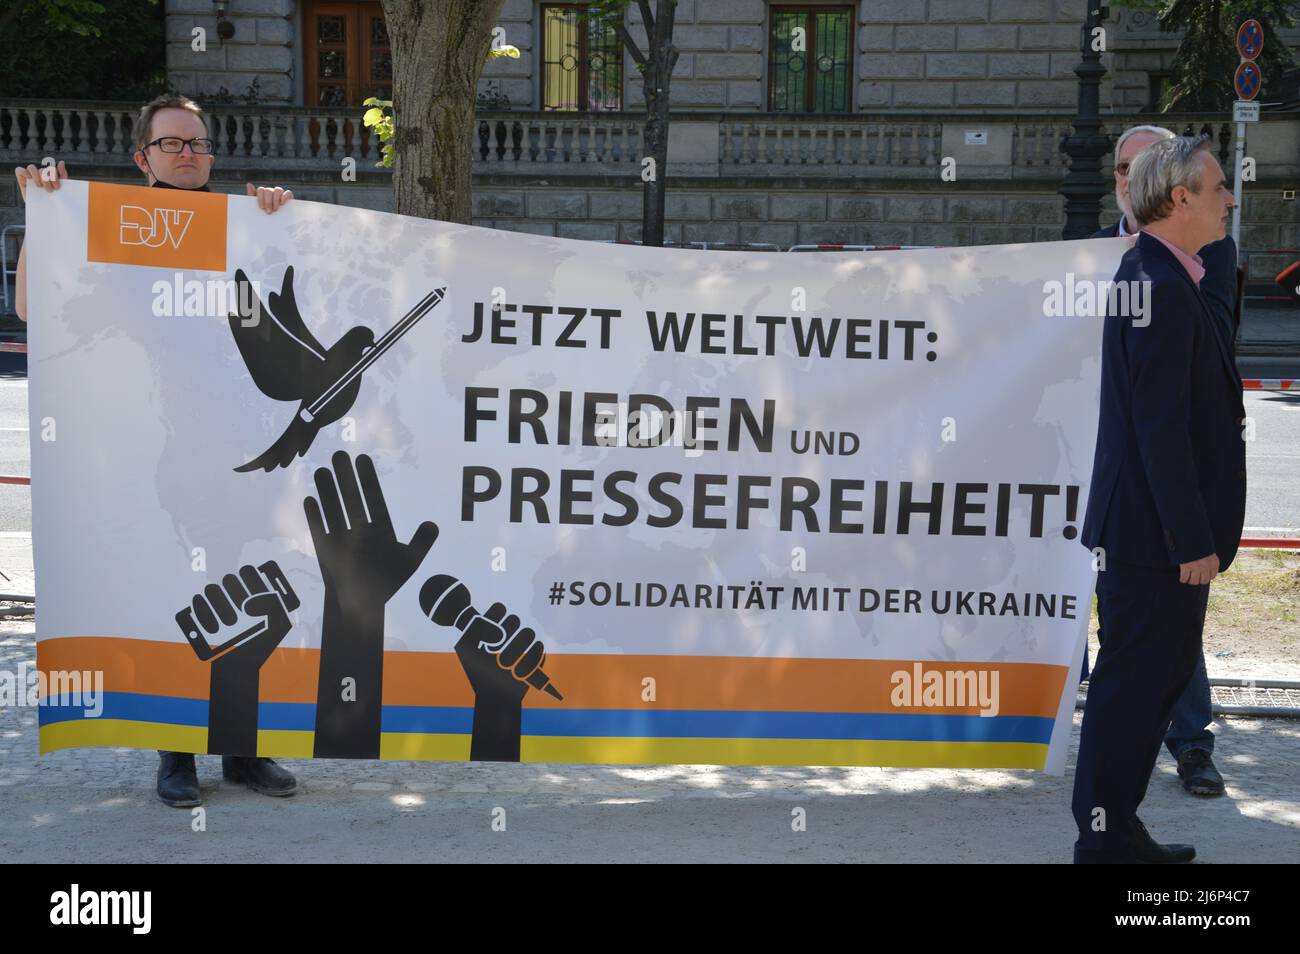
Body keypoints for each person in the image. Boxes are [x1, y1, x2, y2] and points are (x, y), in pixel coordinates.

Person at [14, 94, 298, 808]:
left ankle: (243, 750)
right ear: (141, 157)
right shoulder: (110, 227)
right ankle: (176, 756)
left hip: (242, 449)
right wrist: (42, 219)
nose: (187, 155)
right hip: (159, 451)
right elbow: (31, 308)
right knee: (179, 601)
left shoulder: (243, 225)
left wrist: (286, 220)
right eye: (171, 144)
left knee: (245, 592)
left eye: (197, 143)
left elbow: (300, 296)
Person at [1073, 135, 1246, 863]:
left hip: (1151, 535)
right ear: (1180, 199)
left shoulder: (1166, 275)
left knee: (1151, 681)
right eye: (1216, 188)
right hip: (1154, 541)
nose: (1229, 199)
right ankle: (1105, 841)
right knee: (1133, 686)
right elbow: (1159, 431)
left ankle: (1119, 829)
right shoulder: (1160, 285)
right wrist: (1190, 542)